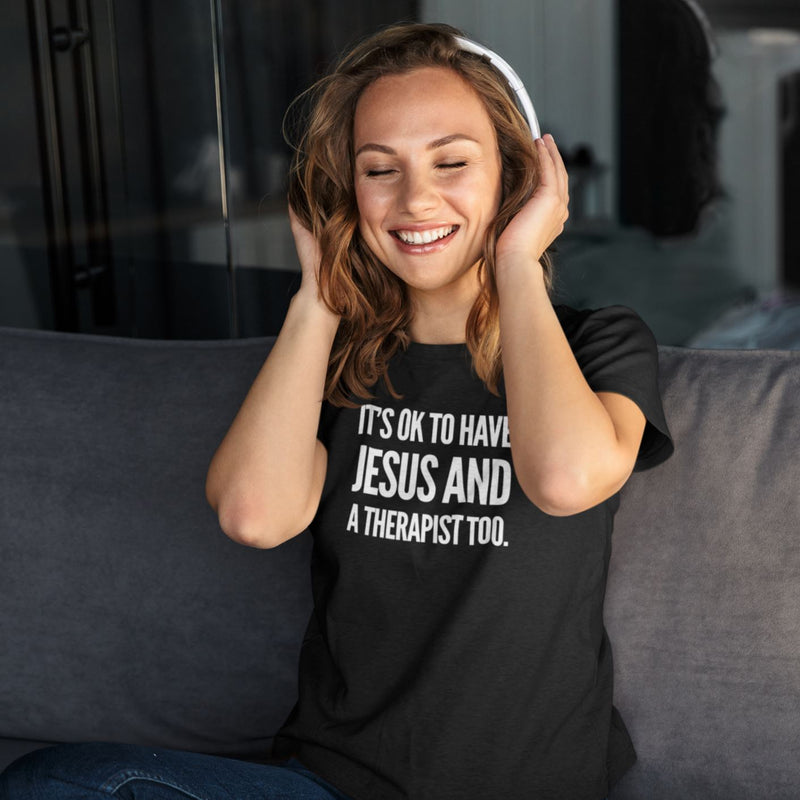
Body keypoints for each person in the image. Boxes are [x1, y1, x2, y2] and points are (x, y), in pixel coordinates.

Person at [0, 21, 673, 800]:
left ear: (515, 178)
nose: (415, 198)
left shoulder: (596, 341)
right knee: (60, 782)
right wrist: (319, 297)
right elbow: (254, 516)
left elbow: (565, 479)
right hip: (331, 785)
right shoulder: (337, 363)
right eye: (379, 169)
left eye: (452, 161)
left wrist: (516, 262)